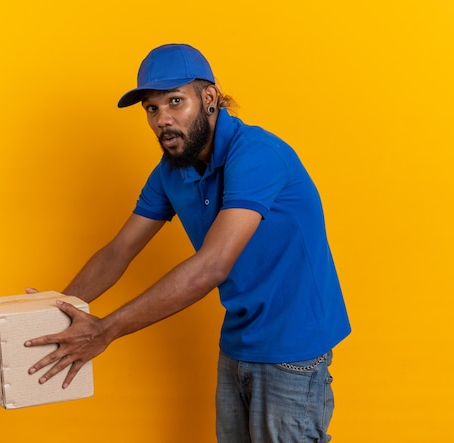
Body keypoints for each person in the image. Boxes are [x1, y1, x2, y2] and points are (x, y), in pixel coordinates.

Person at [24, 43, 351, 442]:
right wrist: (53, 313)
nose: (163, 119)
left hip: (293, 348)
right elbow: (118, 250)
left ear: (209, 98)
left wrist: (105, 330)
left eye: (175, 101)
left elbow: (213, 265)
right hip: (238, 342)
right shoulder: (171, 172)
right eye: (152, 109)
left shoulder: (257, 155)